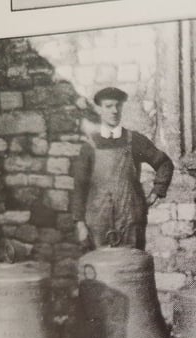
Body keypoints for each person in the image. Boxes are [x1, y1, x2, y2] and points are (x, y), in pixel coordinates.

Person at [72, 87, 174, 250]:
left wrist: (156, 193)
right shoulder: (89, 146)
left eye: (118, 106)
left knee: (131, 270)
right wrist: (79, 223)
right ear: (99, 109)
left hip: (130, 221)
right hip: (98, 223)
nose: (114, 111)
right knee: (100, 271)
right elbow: (80, 186)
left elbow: (164, 164)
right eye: (108, 106)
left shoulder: (134, 140)